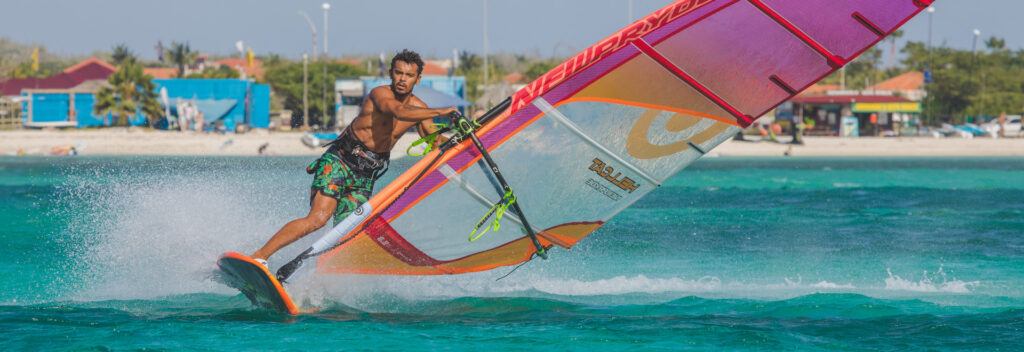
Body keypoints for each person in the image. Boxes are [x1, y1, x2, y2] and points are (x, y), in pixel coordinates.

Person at [251, 49, 456, 265]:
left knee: (346, 234)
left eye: (409, 75)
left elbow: (435, 142)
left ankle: (311, 278)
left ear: (418, 79)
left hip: (365, 175)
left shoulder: (419, 109)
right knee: (318, 219)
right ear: (391, 73)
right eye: (398, 73)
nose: (402, 79)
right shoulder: (380, 94)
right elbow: (396, 111)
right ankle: (260, 256)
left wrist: (466, 134)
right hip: (340, 161)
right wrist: (442, 111)